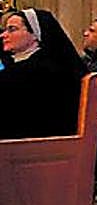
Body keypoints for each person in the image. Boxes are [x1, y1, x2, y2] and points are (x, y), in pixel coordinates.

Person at [0, 8, 85, 139]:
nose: (3, 35)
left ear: (35, 34)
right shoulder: (18, 64)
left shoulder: (44, 68)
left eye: (12, 29)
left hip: (35, 140)